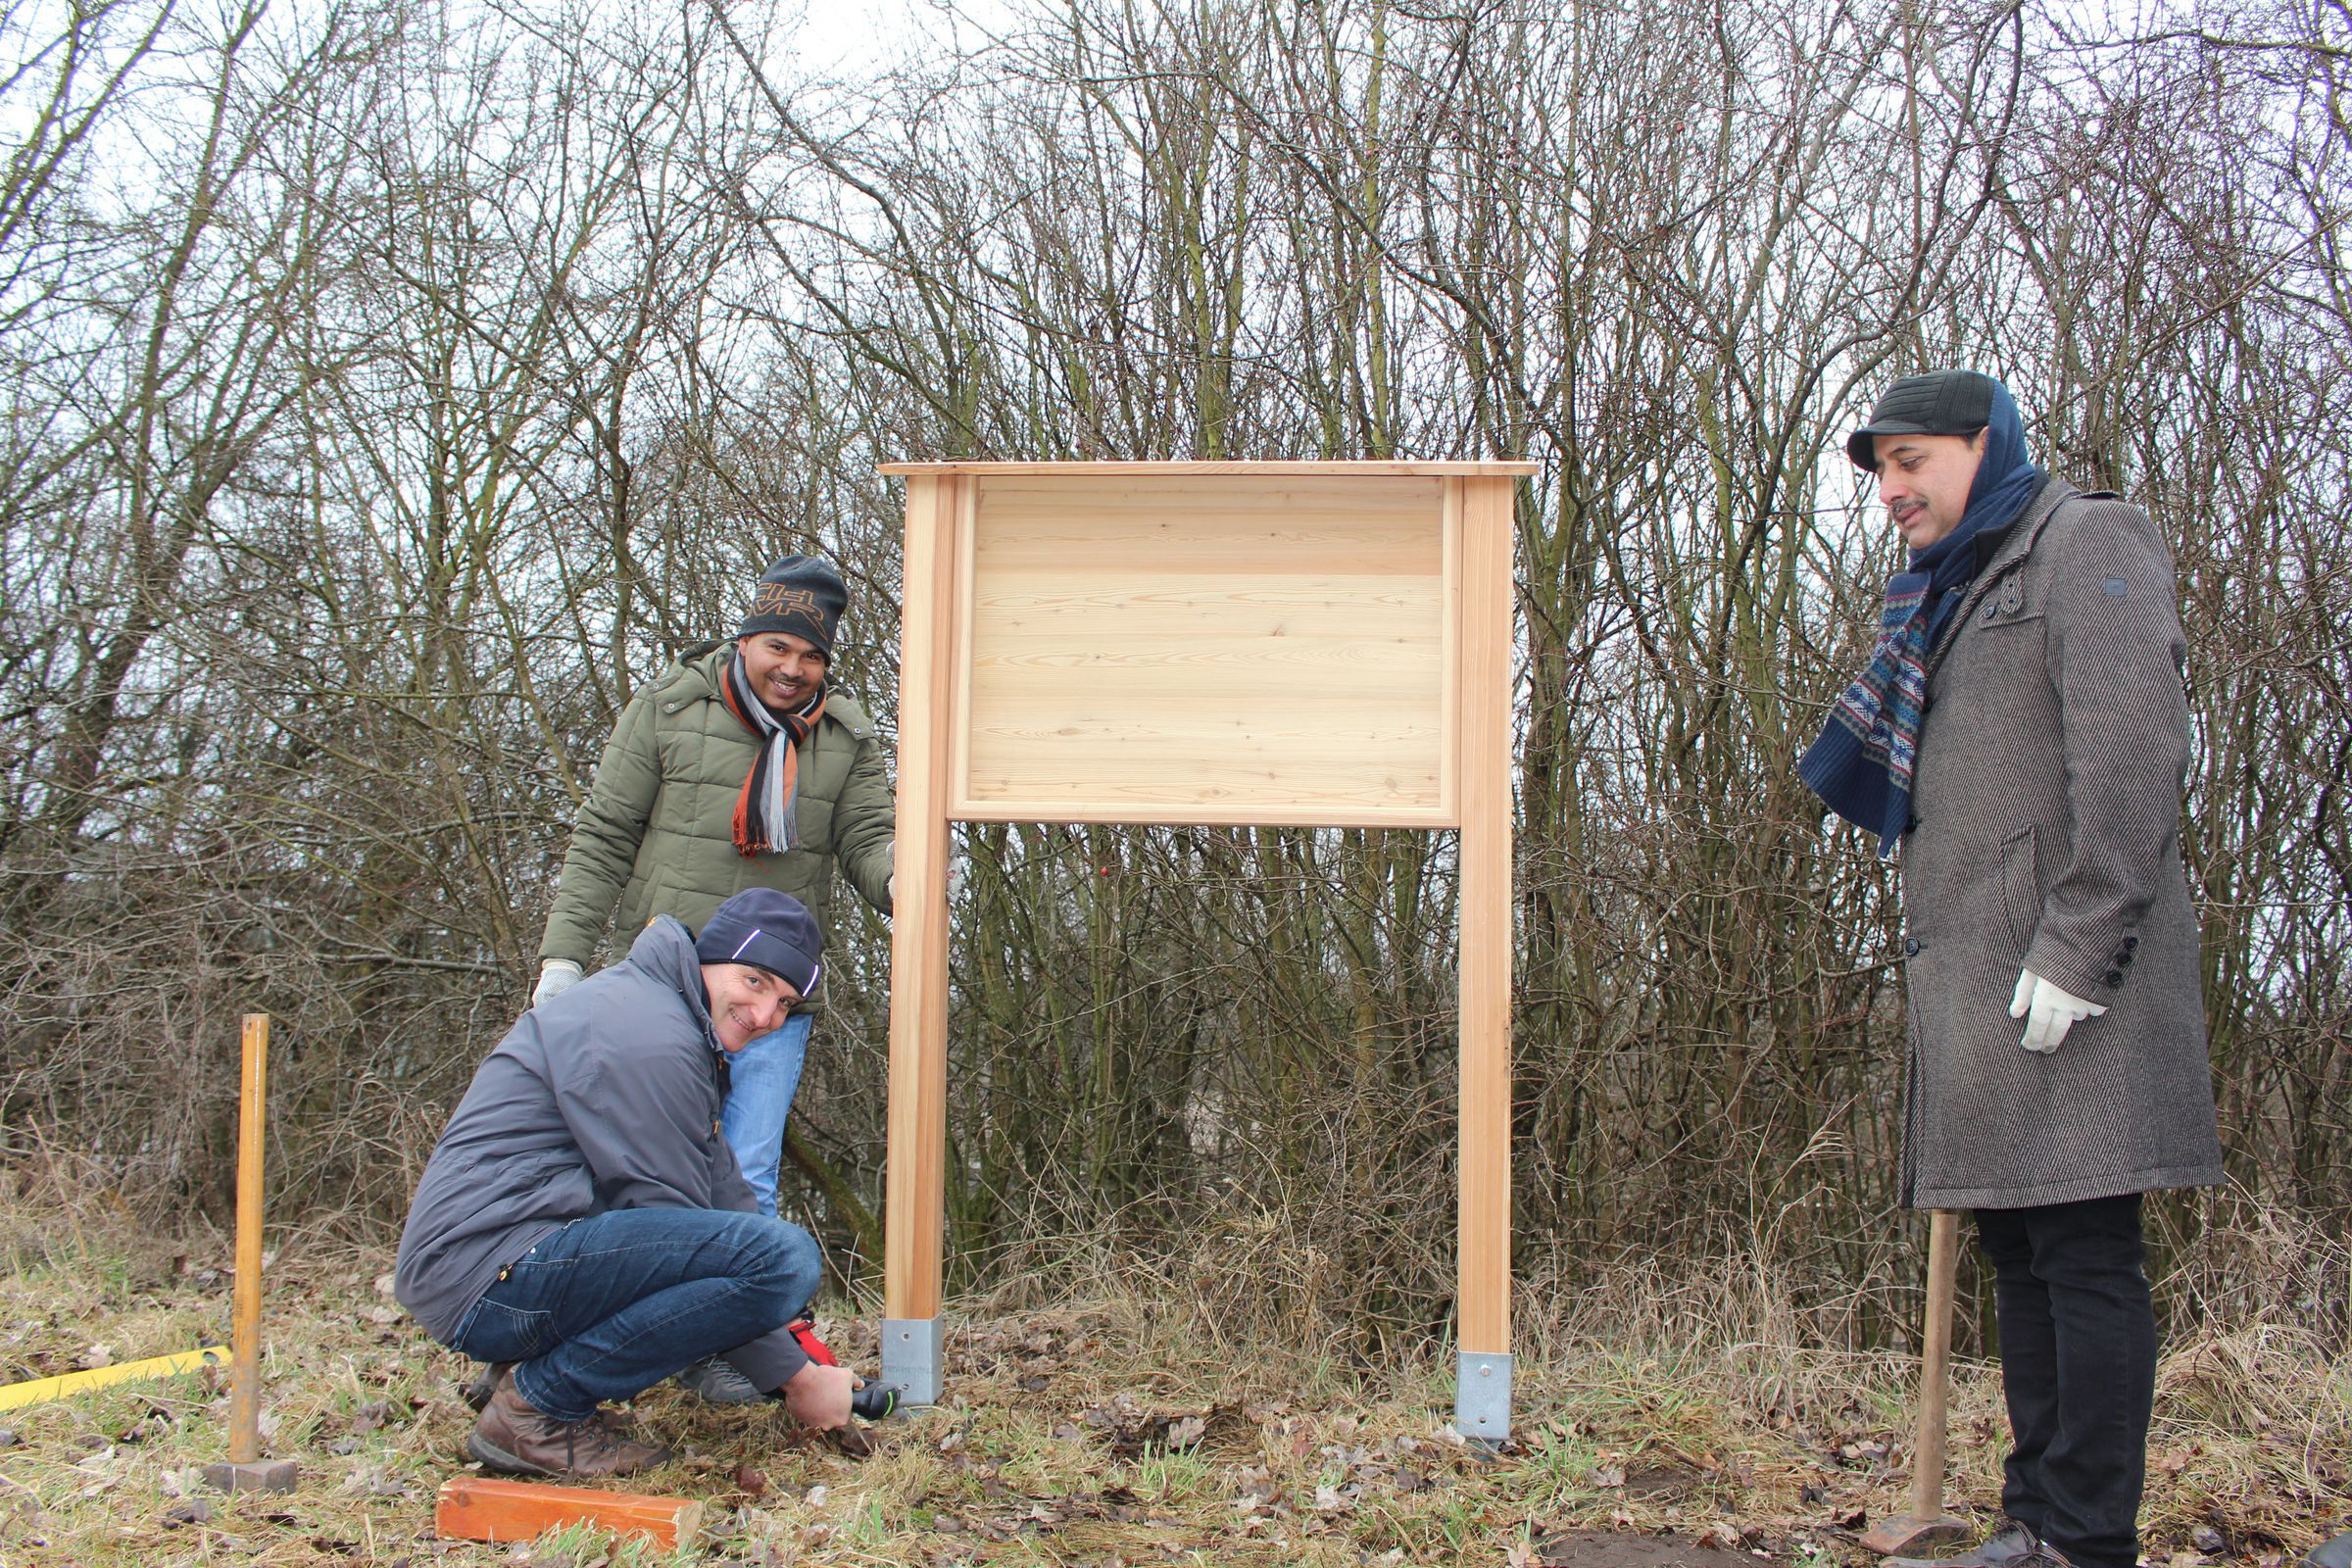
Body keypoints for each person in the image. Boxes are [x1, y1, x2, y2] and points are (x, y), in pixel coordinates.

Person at [1800, 369, 2224, 1568]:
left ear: (1987, 446)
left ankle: (2084, 1535)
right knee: (2022, 1252)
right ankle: (2036, 1519)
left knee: (2084, 1252)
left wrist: (2082, 944)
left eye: (1912, 461)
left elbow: (2135, 749)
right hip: (1988, 980)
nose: (1891, 490)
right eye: (1881, 471)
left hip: (2077, 978)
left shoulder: (2089, 541)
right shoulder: (1953, 585)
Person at [395, 888, 860, 1477]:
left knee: (762, 1252)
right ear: (711, 958)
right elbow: (685, 1232)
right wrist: (797, 1380)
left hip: (495, 1259)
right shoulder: (650, 1035)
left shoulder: (662, 1012)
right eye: (755, 981)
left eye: (786, 1003)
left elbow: (722, 1191)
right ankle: (537, 1407)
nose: (766, 1015)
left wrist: (797, 1343)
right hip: (488, 1274)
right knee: (783, 1261)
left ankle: (517, 1375)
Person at [533, 555, 893, 1283]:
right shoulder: (668, 709)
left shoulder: (844, 738)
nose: (792, 669)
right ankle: (623, 1318)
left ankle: (735, 1332)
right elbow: (604, 835)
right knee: (634, 1173)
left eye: (812, 656)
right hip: (663, 991)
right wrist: (563, 960)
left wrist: (911, 876)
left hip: (772, 1005)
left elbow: (868, 842)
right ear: (745, 640)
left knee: (747, 1175)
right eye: (778, 647)